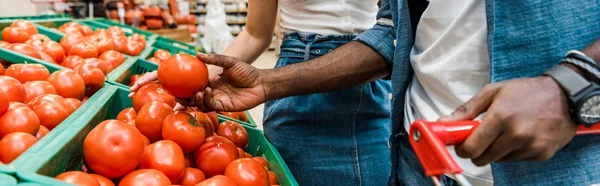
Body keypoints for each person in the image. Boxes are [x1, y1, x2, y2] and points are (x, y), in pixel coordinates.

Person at [183, 0, 600, 185]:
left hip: (546, 162)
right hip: (418, 157)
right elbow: (393, 33)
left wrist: (570, 86)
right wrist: (264, 81)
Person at [130, 0, 393, 185]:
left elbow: (392, 29)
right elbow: (255, 33)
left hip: (355, 70)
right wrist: (189, 72)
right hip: (291, 72)